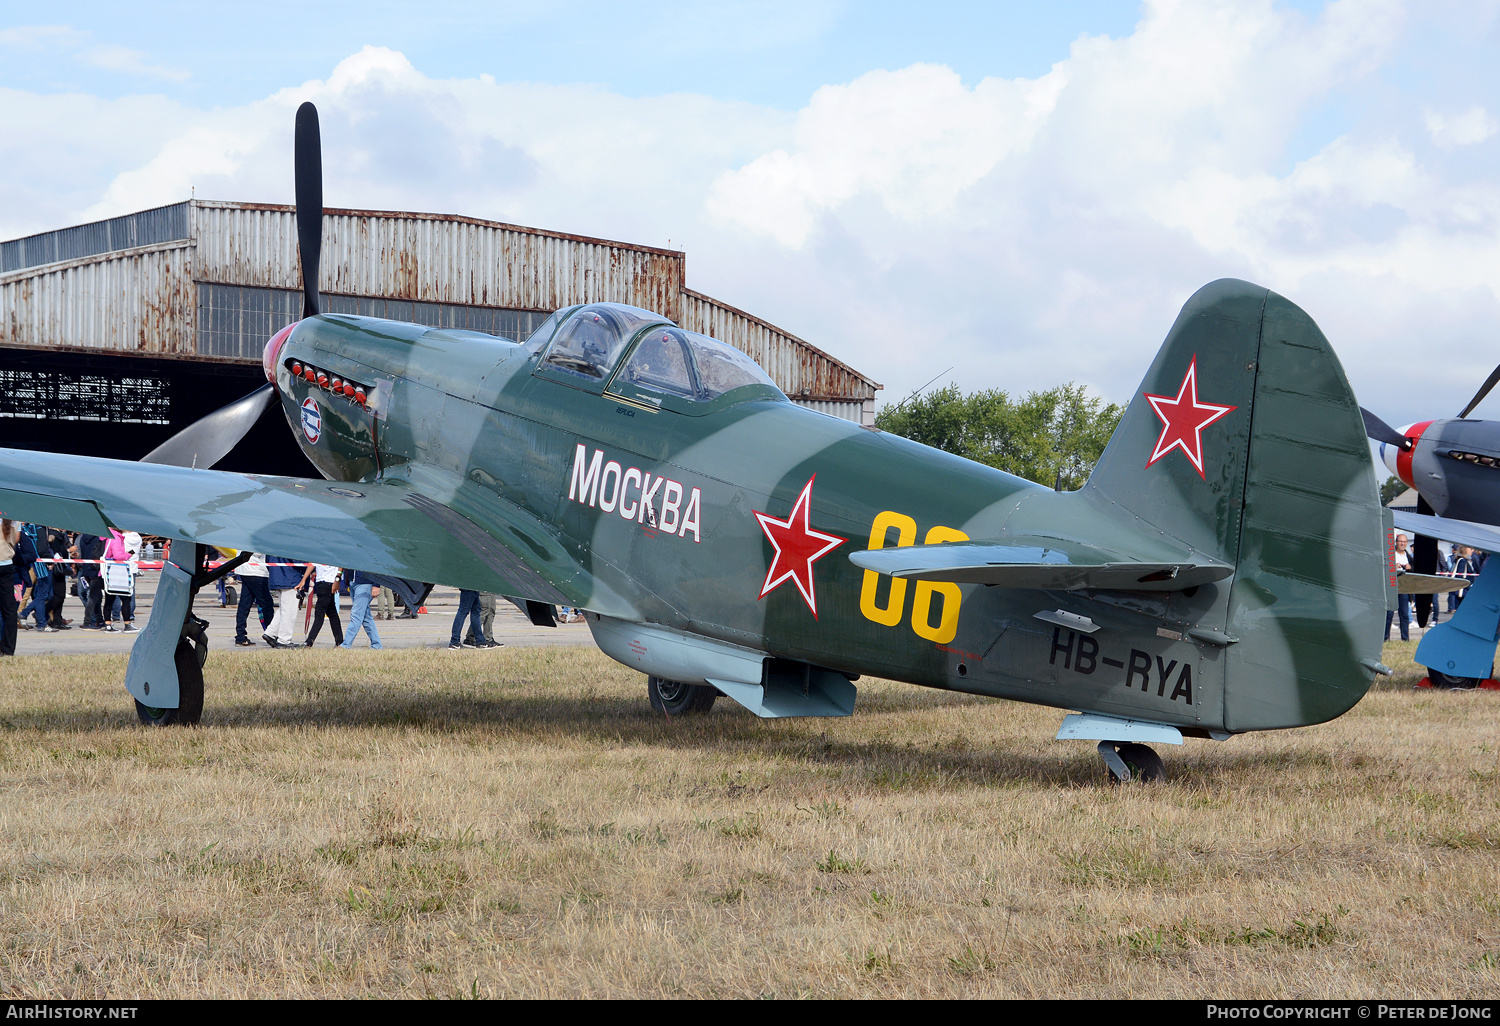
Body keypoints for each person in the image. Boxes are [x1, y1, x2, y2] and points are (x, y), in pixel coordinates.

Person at [233, 552, 275, 647]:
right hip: (256, 571)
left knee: (245, 604)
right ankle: (271, 634)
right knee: (266, 604)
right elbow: (258, 551)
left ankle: (240, 636)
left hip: (245, 570)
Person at [299, 561, 344, 647]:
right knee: (332, 613)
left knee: (319, 613)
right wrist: (303, 580)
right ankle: (340, 641)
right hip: (320, 583)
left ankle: (309, 641)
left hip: (329, 582)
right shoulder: (318, 551)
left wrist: (337, 579)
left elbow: (341, 565)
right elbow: (312, 564)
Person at [263, 555, 303, 648]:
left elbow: (268, 561)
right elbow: (298, 561)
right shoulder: (290, 542)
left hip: (277, 577)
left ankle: (271, 632)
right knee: (289, 612)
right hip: (290, 578)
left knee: (284, 609)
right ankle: (284, 640)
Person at [339, 569, 382, 650]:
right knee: (366, 616)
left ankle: (346, 644)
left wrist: (377, 584)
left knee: (356, 614)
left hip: (365, 583)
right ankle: (376, 645)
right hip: (352, 581)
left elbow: (378, 563)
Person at [74, 532, 105, 630]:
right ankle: (87, 622)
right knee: (93, 597)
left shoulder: (82, 538)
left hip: (86, 568)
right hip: (96, 570)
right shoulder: (99, 539)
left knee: (97, 596)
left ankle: (99, 620)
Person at [1386, 532, 1412, 642]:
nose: (1402, 543)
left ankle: (1405, 639)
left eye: (1404, 542)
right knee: (1389, 615)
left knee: (1404, 615)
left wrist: (1410, 567)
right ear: (1396, 542)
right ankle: (1385, 638)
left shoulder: (1409, 557)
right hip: (1392, 587)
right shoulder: (1390, 555)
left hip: (1404, 588)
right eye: (1400, 541)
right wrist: (1393, 567)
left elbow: (1415, 571)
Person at [0, 518, 20, 655]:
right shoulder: (14, 519)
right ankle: (8, 649)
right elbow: (16, 540)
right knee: (9, 610)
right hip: (6, 564)